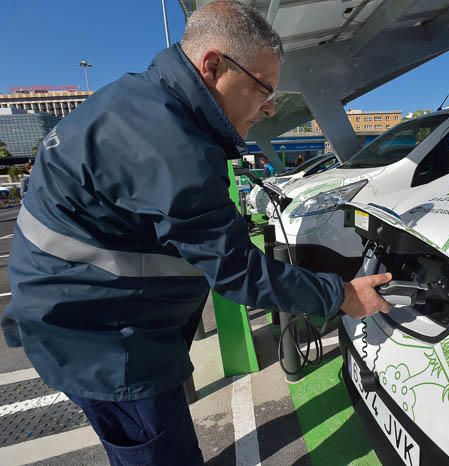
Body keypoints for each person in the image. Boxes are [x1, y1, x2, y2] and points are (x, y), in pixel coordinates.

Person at [1, 2, 392, 465]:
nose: (269, 107)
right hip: (105, 342)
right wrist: (342, 295)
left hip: (77, 316)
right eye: (263, 89)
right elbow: (240, 275)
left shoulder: (138, 102)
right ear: (213, 66)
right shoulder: (173, 145)